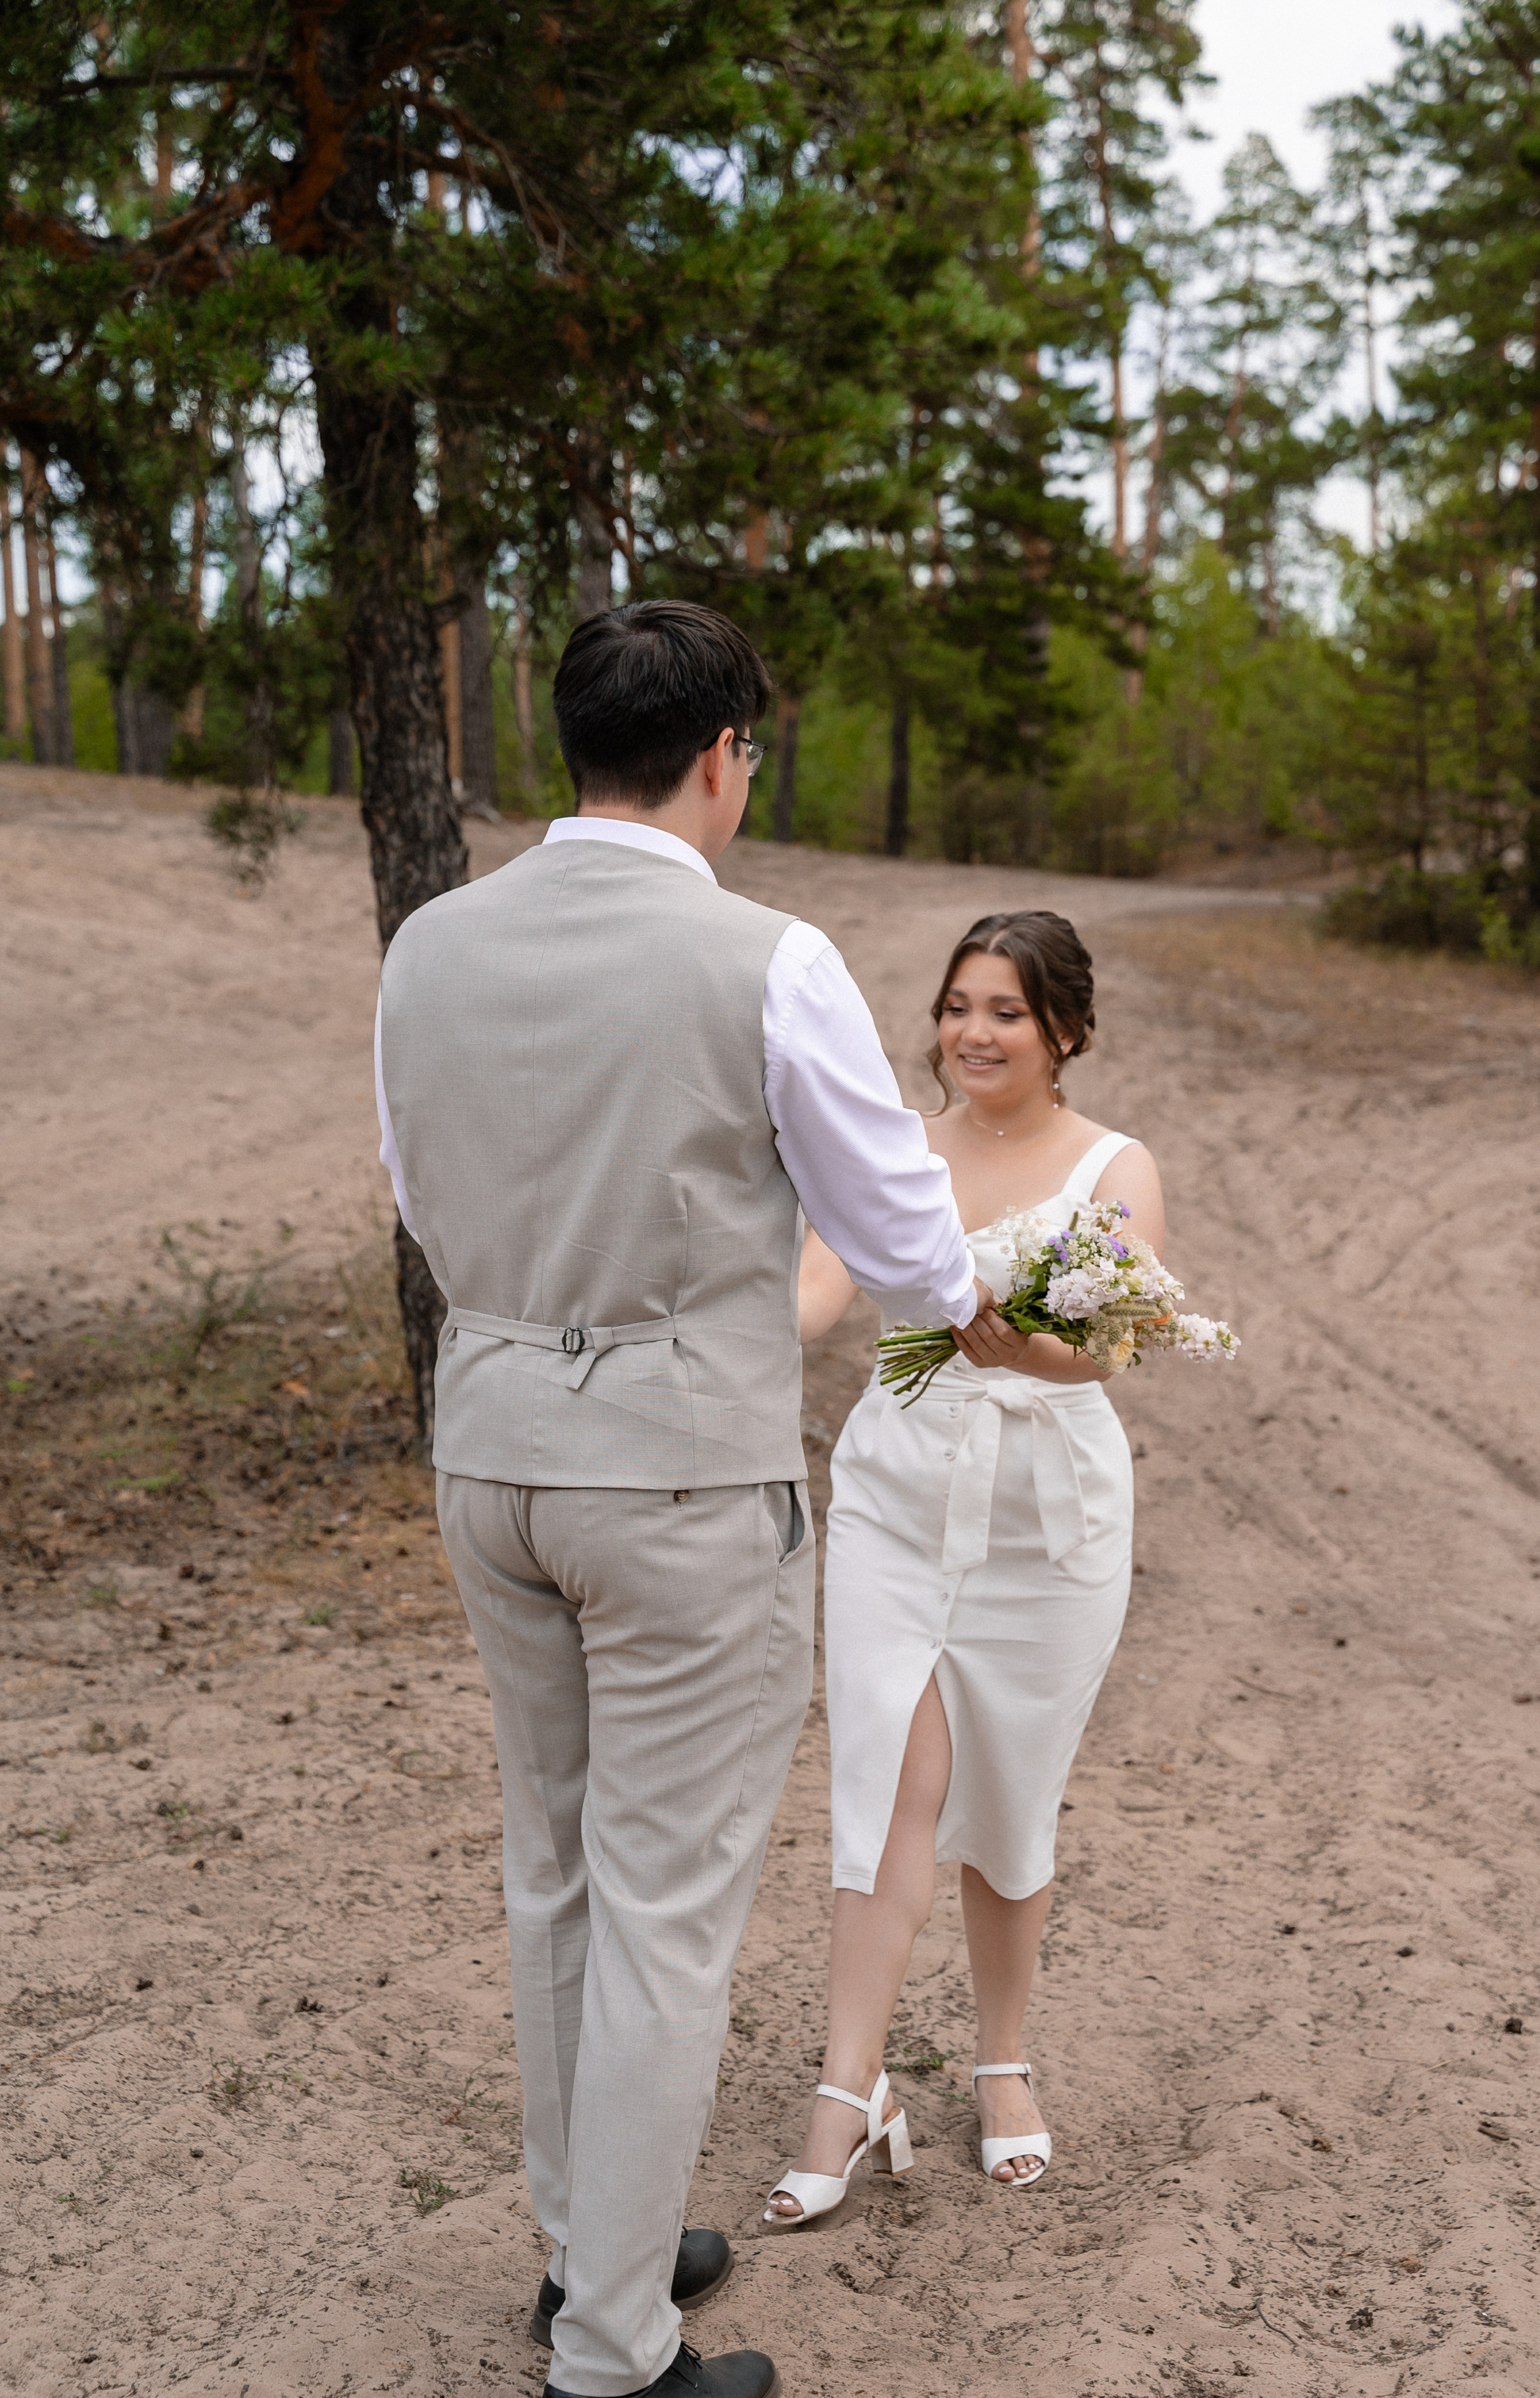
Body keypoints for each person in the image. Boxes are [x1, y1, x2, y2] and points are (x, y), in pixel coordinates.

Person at [373, 601, 993, 2398]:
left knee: (552, 1871)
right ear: (729, 753)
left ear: (576, 748)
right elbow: (904, 1247)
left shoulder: (429, 943)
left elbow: (420, 1188)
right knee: (661, 1908)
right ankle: (615, 2355)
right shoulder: (768, 958)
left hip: (490, 1452)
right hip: (676, 1473)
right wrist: (942, 1303)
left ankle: (593, 2253)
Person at [763, 910, 1162, 2224]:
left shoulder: (1114, 1165)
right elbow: (820, 1286)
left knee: (1008, 1795)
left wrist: (1021, 1353)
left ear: (1061, 1028)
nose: (970, 1033)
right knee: (892, 1776)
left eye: (1002, 1010)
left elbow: (1106, 1348)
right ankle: (847, 2083)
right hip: (895, 1494)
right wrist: (743, 1340)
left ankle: (1002, 2061)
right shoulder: (898, 1155)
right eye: (954, 1007)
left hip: (1047, 1525)